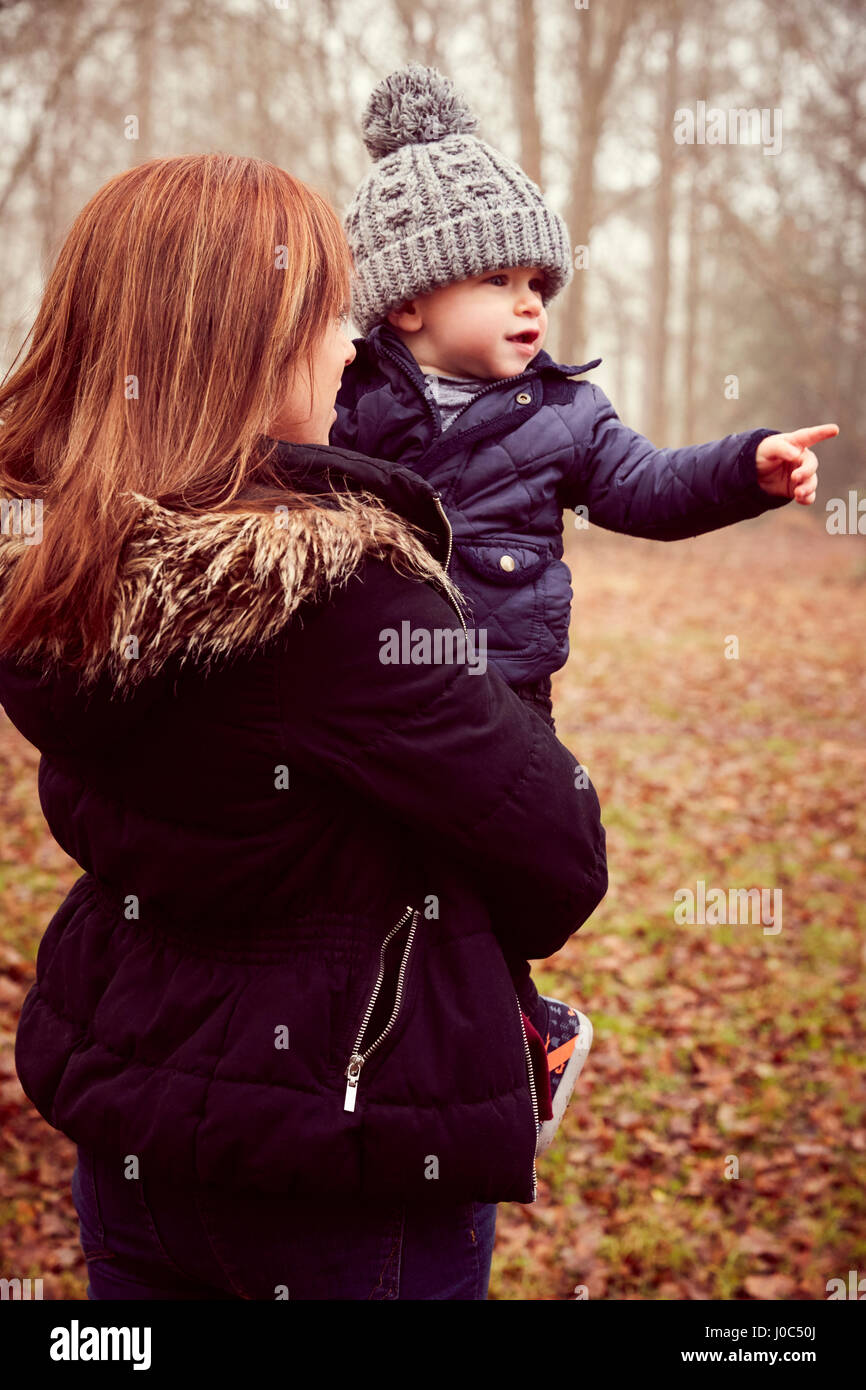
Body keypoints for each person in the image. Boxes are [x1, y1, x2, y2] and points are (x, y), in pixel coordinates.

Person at [0, 152, 608, 1300]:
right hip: (344, 1163)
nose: (348, 343)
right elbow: (560, 858)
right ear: (242, 339)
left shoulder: (56, 574)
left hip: (134, 1129)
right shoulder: (337, 595)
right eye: (328, 313)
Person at [331, 62, 839, 1136]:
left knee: (495, 882)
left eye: (540, 285)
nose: (529, 303)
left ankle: (526, 1030)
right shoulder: (347, 402)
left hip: (505, 699)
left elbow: (644, 487)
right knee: (379, 875)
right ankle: (419, 1041)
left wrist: (743, 467)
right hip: (374, 692)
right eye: (499, 282)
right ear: (409, 298)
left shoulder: (563, 416)